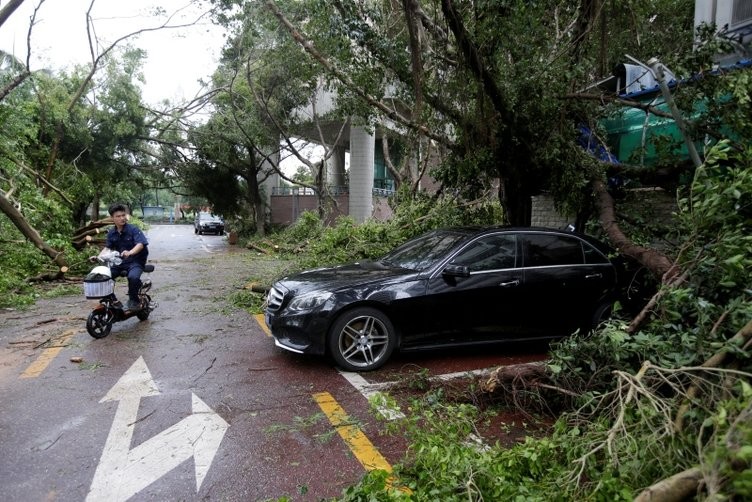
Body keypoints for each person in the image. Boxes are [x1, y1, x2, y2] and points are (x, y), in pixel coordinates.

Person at [98, 203, 149, 310]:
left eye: (123, 215)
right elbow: (108, 248)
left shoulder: (133, 229)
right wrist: (98, 256)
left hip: (136, 261)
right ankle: (113, 300)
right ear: (112, 218)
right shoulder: (112, 233)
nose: (122, 218)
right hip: (120, 262)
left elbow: (140, 244)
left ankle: (134, 300)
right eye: (118, 216)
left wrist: (130, 252)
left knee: (133, 277)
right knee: (104, 276)